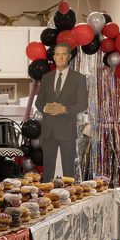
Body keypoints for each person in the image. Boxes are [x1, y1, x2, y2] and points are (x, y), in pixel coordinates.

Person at [35, 43, 88, 181]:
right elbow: (38, 102)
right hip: (48, 131)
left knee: (68, 171)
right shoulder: (46, 78)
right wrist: (47, 109)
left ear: (69, 56)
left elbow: (83, 104)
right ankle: (46, 198)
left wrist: (64, 109)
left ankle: (69, 199)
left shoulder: (79, 78)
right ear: (53, 57)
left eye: (63, 54)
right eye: (57, 54)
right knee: (48, 170)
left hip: (67, 131)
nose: (60, 57)